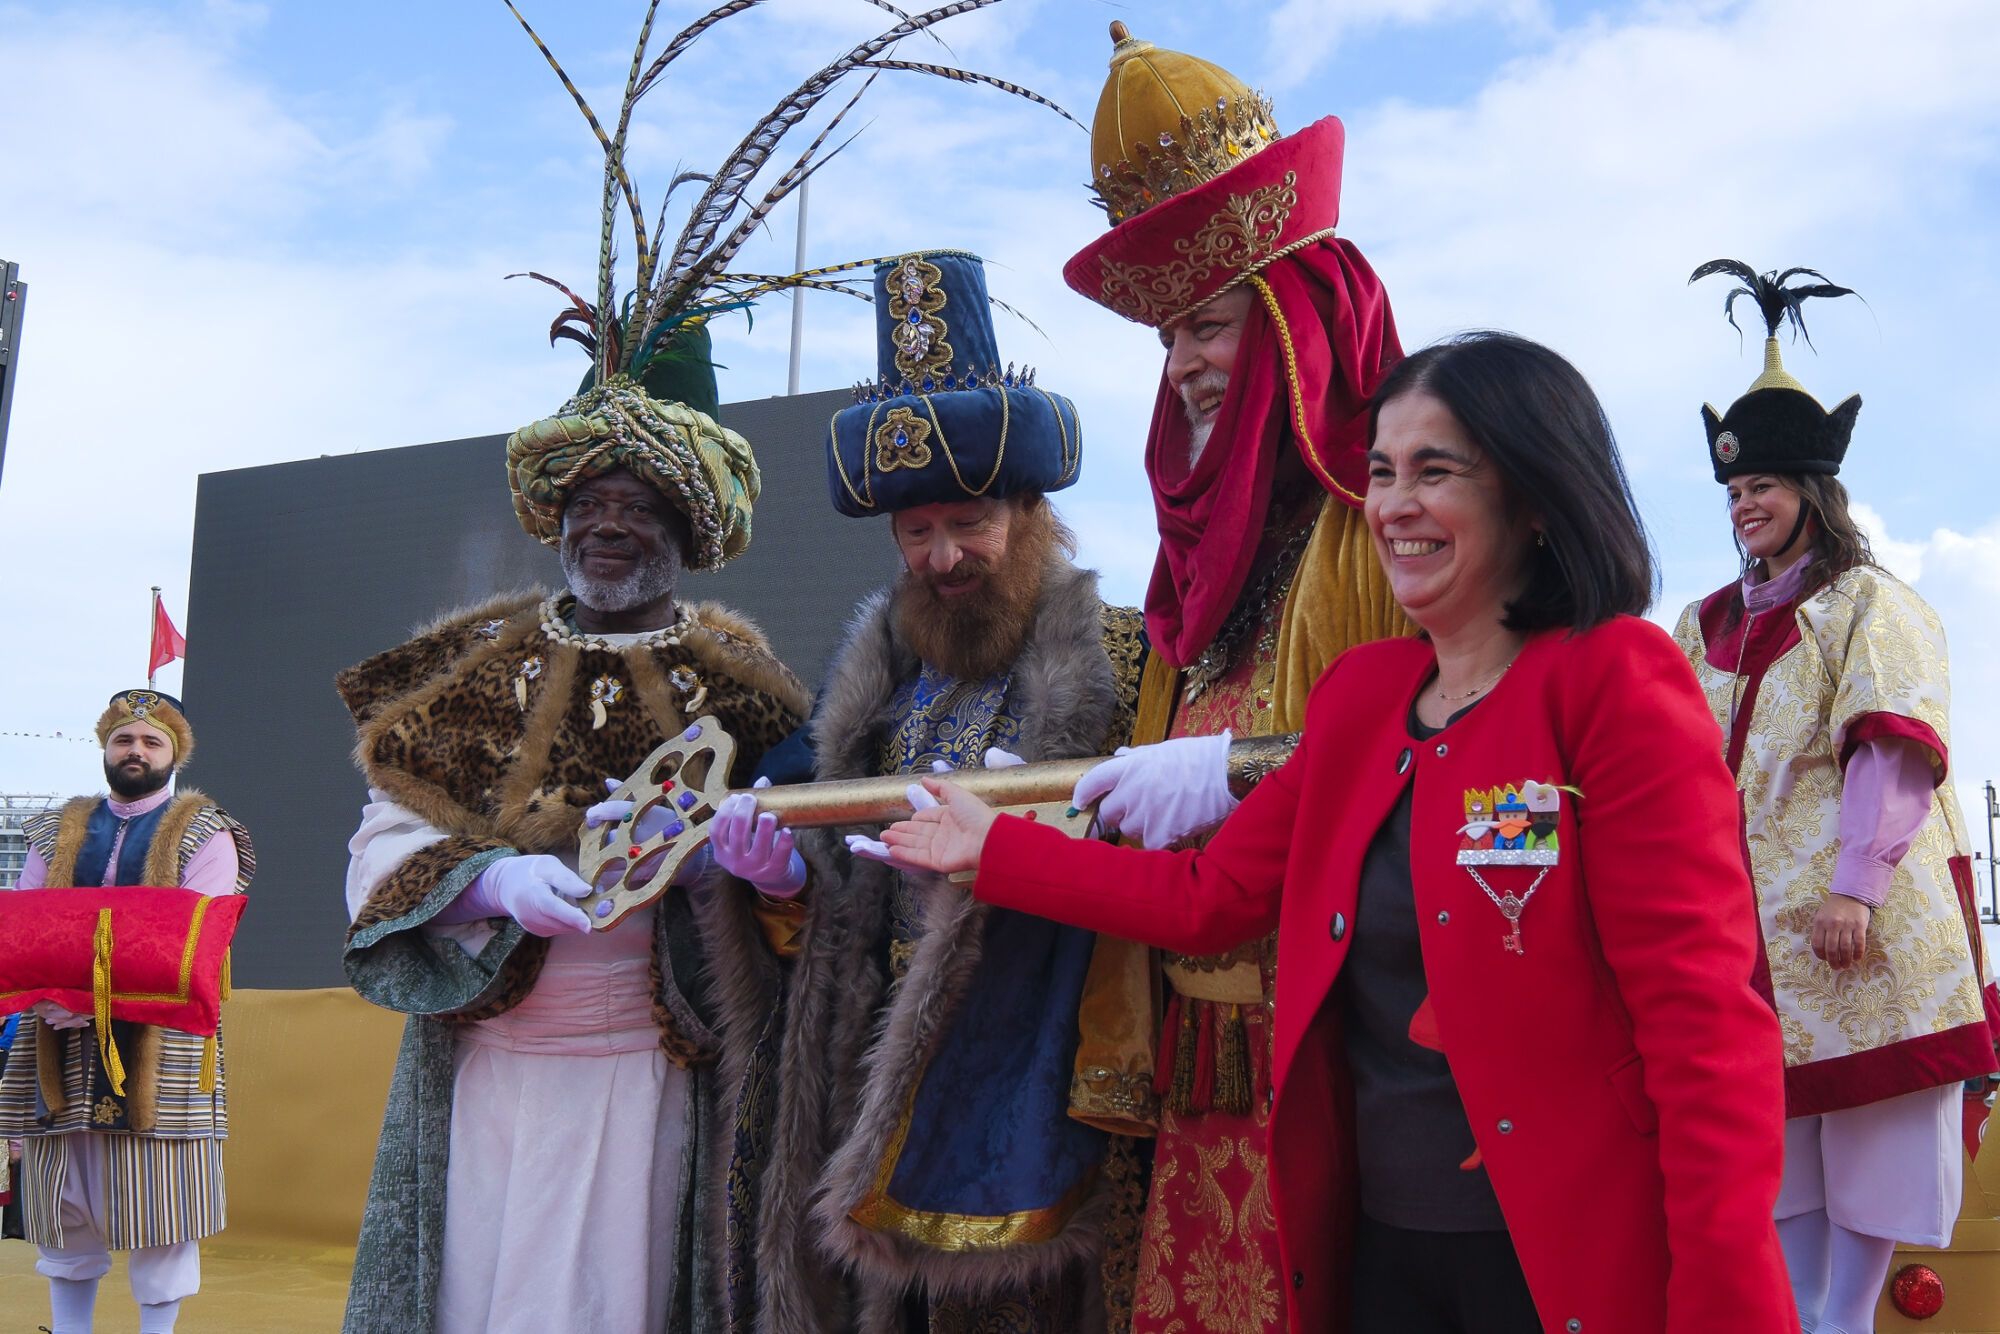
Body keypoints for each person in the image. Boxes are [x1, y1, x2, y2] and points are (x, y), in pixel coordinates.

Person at [853, 332, 1800, 1333]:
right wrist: (993, 848)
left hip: (1563, 1258)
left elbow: (1704, 1028)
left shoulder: (1611, 681)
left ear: (1533, 495)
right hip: (1378, 1256)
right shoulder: (1363, 699)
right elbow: (1208, 897)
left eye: (1434, 471)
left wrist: (1724, 1305)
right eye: (1381, 472)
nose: (1392, 504)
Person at [692, 250, 1147, 1333]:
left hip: (1026, 1080)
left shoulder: (1125, 667)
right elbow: (825, 912)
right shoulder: (869, 697)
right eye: (916, 532)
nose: (942, 557)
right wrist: (778, 888)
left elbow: (1160, 885)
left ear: (1029, 512)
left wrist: (1049, 847)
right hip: (865, 1083)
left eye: (967, 523)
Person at [1054, 26, 1410, 1329]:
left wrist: (1241, 773)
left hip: (1348, 1066)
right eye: (1166, 337)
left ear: (1296, 321)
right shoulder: (1197, 583)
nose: (1182, 366)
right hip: (1204, 1072)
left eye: (1205, 323)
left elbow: (1436, 769)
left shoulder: (1379, 534)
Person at [1675, 262, 1996, 1334]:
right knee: (1776, 1147)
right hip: (1747, 932)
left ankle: (1844, 1321)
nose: (1744, 506)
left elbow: (1889, 747)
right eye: (1732, 492)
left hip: (1858, 923)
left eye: (1762, 486)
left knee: (1869, 1142)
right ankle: (1808, 1317)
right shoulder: (1701, 623)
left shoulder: (1870, 604)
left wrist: (1856, 885)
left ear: (1812, 492)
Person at [0, 689, 253, 1334]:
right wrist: (53, 995)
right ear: (105, 748)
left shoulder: (208, 831)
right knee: (64, 1198)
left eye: (150, 741)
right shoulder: (54, 830)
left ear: (175, 753)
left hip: (161, 1037)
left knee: (160, 1197)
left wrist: (87, 997)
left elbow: (193, 937)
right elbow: (29, 925)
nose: (135, 750)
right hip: (57, 1034)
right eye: (123, 739)